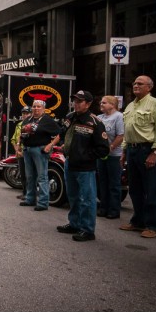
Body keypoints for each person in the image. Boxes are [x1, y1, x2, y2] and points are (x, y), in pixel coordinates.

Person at [119, 75, 156, 238]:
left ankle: (153, 226)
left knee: (151, 189)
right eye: (134, 83)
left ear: (149, 87)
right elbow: (128, 130)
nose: (136, 85)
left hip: (148, 150)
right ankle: (138, 221)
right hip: (133, 151)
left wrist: (155, 152)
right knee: (135, 189)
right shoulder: (130, 106)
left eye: (140, 83)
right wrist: (124, 151)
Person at [56, 90, 110, 241]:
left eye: (80, 101)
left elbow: (103, 148)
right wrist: (63, 145)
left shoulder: (95, 122)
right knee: (73, 196)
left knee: (87, 199)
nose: (76, 103)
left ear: (88, 103)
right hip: (69, 164)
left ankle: (87, 230)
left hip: (85, 168)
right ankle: (74, 223)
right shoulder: (70, 117)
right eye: (75, 100)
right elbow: (62, 133)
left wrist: (85, 157)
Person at [19, 99, 61, 211]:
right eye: (34, 106)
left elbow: (60, 133)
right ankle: (30, 199)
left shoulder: (48, 120)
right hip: (27, 149)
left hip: (40, 150)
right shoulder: (28, 119)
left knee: (42, 177)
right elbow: (22, 133)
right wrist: (20, 146)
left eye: (38, 107)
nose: (36, 109)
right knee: (30, 176)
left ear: (43, 109)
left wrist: (50, 145)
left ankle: (43, 203)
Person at [96, 95, 124, 219]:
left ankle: (114, 210)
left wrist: (110, 148)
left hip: (114, 155)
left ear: (113, 105)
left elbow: (120, 136)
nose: (101, 104)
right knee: (102, 182)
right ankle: (103, 207)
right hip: (101, 156)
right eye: (101, 103)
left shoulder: (119, 117)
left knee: (114, 183)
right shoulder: (99, 118)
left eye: (104, 103)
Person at [11, 106, 32, 199]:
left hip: (28, 152)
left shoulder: (32, 125)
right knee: (23, 174)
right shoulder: (19, 125)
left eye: (27, 113)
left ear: (31, 114)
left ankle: (30, 194)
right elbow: (13, 139)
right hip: (20, 153)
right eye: (23, 113)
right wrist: (17, 150)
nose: (25, 115)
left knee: (29, 175)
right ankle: (24, 192)